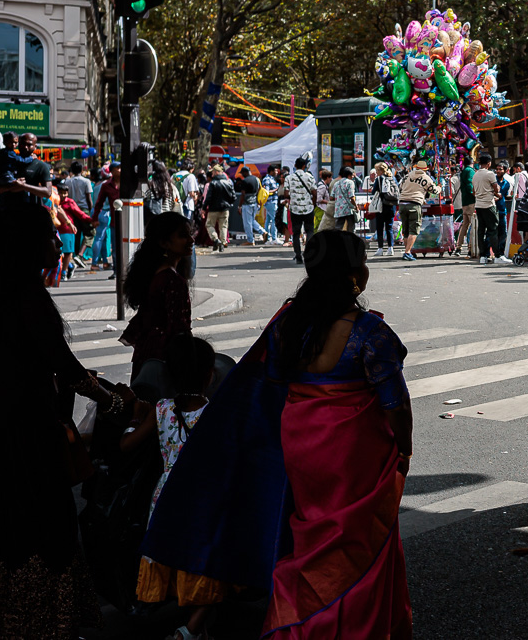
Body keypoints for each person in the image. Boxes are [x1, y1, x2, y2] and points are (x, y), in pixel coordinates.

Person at [140, 230, 414, 638]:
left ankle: (297, 619)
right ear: (355, 275)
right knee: (355, 540)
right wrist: (404, 448)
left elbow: (264, 383)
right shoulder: (369, 332)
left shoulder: (288, 323)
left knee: (310, 533)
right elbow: (395, 404)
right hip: (352, 452)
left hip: (300, 445)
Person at [0, 202, 134, 637]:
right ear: (28, 245)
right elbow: (65, 367)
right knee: (38, 533)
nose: (57, 243)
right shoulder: (26, 297)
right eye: (49, 236)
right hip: (22, 439)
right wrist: (115, 403)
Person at [124, 335, 227, 640]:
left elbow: (126, 445)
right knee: (212, 564)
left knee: (179, 562)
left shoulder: (162, 410)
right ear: (210, 375)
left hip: (166, 501)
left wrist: (135, 418)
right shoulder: (217, 414)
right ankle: (189, 631)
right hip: (204, 501)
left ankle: (195, 629)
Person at [122, 212, 194, 380]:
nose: (191, 240)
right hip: (166, 358)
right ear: (164, 243)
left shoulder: (154, 273)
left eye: (190, 234)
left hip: (148, 355)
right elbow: (179, 327)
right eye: (183, 236)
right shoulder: (171, 280)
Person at [0, 132, 53, 208]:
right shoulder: (8, 161)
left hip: (31, 211)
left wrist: (24, 186)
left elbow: (47, 192)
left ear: (35, 147)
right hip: (6, 211)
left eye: (29, 145)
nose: (25, 147)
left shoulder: (41, 166)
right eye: (23, 144)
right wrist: (10, 187)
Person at [397, 159, 441, 261]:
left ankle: (407, 251)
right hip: (414, 204)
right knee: (414, 230)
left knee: (406, 230)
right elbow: (434, 190)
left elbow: (400, 187)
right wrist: (439, 188)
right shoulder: (425, 177)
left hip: (402, 203)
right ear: (425, 169)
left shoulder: (408, 176)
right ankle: (407, 252)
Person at [471, 154, 510, 265]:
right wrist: (496, 191)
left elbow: (473, 192)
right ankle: (497, 255)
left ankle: (483, 256)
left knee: (481, 231)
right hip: (489, 205)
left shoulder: (475, 175)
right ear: (489, 163)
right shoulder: (490, 174)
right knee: (493, 230)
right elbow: (496, 189)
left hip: (478, 205)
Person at [282, 156, 317, 264]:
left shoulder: (289, 178)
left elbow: (286, 194)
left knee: (296, 233)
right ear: (304, 166)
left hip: (295, 209)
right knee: (309, 231)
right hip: (308, 208)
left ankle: (298, 256)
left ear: (295, 166)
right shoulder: (309, 177)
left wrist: (293, 196)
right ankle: (308, 253)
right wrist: (313, 204)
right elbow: (314, 193)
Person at [56, 181, 91, 281]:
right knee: (58, 253)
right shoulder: (54, 201)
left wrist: (90, 220)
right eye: (61, 193)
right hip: (56, 230)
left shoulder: (70, 202)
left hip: (68, 230)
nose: (63, 195)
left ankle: (63, 273)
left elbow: (79, 213)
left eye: (65, 193)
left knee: (67, 252)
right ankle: (70, 266)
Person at [91, 163, 121, 271]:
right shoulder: (106, 185)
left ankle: (104, 262)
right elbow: (99, 203)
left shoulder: (129, 183)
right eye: (117, 168)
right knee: (114, 246)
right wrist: (95, 218)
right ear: (111, 171)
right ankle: (116, 270)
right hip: (112, 220)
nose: (120, 170)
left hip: (128, 220)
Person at [203, 164, 236, 252]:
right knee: (223, 226)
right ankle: (223, 242)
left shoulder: (213, 183)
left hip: (213, 209)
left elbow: (208, 197)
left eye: (213, 172)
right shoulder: (228, 182)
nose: (212, 174)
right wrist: (229, 204)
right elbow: (233, 197)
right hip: (225, 208)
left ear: (217, 172)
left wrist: (204, 208)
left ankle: (216, 239)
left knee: (209, 225)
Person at [370, 162, 398, 256]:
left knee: (380, 227)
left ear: (380, 170)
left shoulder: (379, 179)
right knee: (389, 227)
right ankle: (390, 248)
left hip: (381, 205)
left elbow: (373, 192)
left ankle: (380, 248)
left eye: (377, 170)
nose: (376, 172)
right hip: (391, 206)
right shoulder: (392, 178)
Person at [319, 166, 359, 233]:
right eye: (352, 175)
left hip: (339, 209)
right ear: (349, 175)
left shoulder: (336, 183)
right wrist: (356, 206)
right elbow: (352, 197)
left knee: (338, 228)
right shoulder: (350, 182)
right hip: (349, 209)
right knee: (350, 228)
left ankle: (337, 239)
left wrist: (340, 198)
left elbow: (331, 197)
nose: (353, 177)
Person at [235, 166, 265, 244]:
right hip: (255, 202)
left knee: (247, 223)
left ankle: (250, 240)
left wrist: (239, 206)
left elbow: (243, 194)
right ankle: (263, 232)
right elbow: (259, 190)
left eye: (242, 173)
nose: (242, 175)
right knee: (251, 221)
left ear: (245, 172)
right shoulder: (256, 179)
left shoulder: (245, 181)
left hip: (247, 204)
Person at [454, 157, 476, 257]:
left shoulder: (463, 171)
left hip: (464, 201)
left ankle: (458, 247)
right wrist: (474, 194)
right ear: (472, 162)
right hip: (471, 201)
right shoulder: (470, 171)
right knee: (472, 225)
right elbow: (469, 184)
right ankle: (470, 248)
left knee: (465, 225)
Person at [260, 164, 280, 244]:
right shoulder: (267, 179)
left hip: (271, 202)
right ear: (271, 171)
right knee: (274, 220)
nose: (277, 172)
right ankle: (274, 238)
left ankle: (268, 239)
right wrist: (276, 190)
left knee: (268, 221)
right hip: (271, 202)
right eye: (275, 170)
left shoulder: (271, 179)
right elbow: (266, 191)